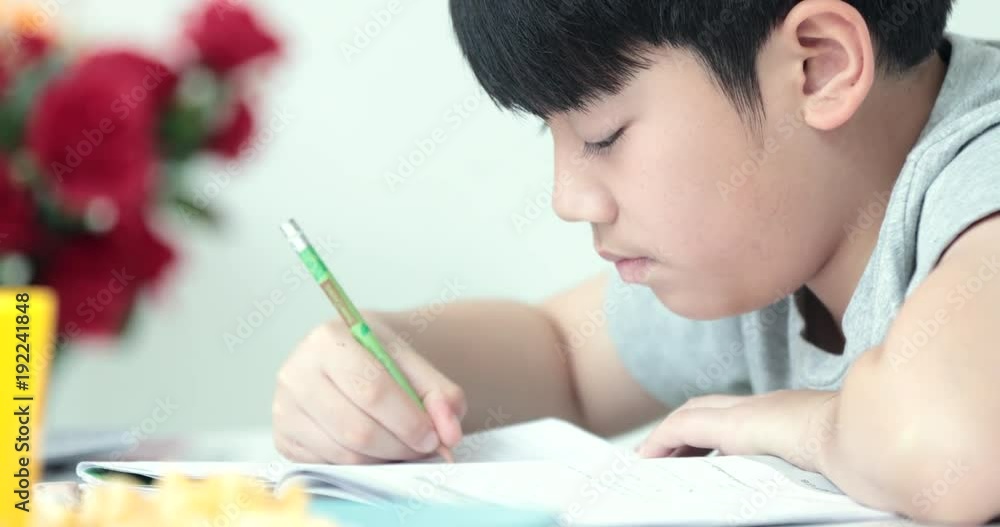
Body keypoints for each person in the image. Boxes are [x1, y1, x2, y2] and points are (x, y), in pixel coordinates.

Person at [273, 1, 1000, 522]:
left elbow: (946, 449)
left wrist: (780, 423)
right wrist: (380, 358)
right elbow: (562, 356)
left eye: (602, 134)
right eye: (548, 135)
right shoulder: (775, 234)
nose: (568, 197)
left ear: (818, 66)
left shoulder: (982, 173)